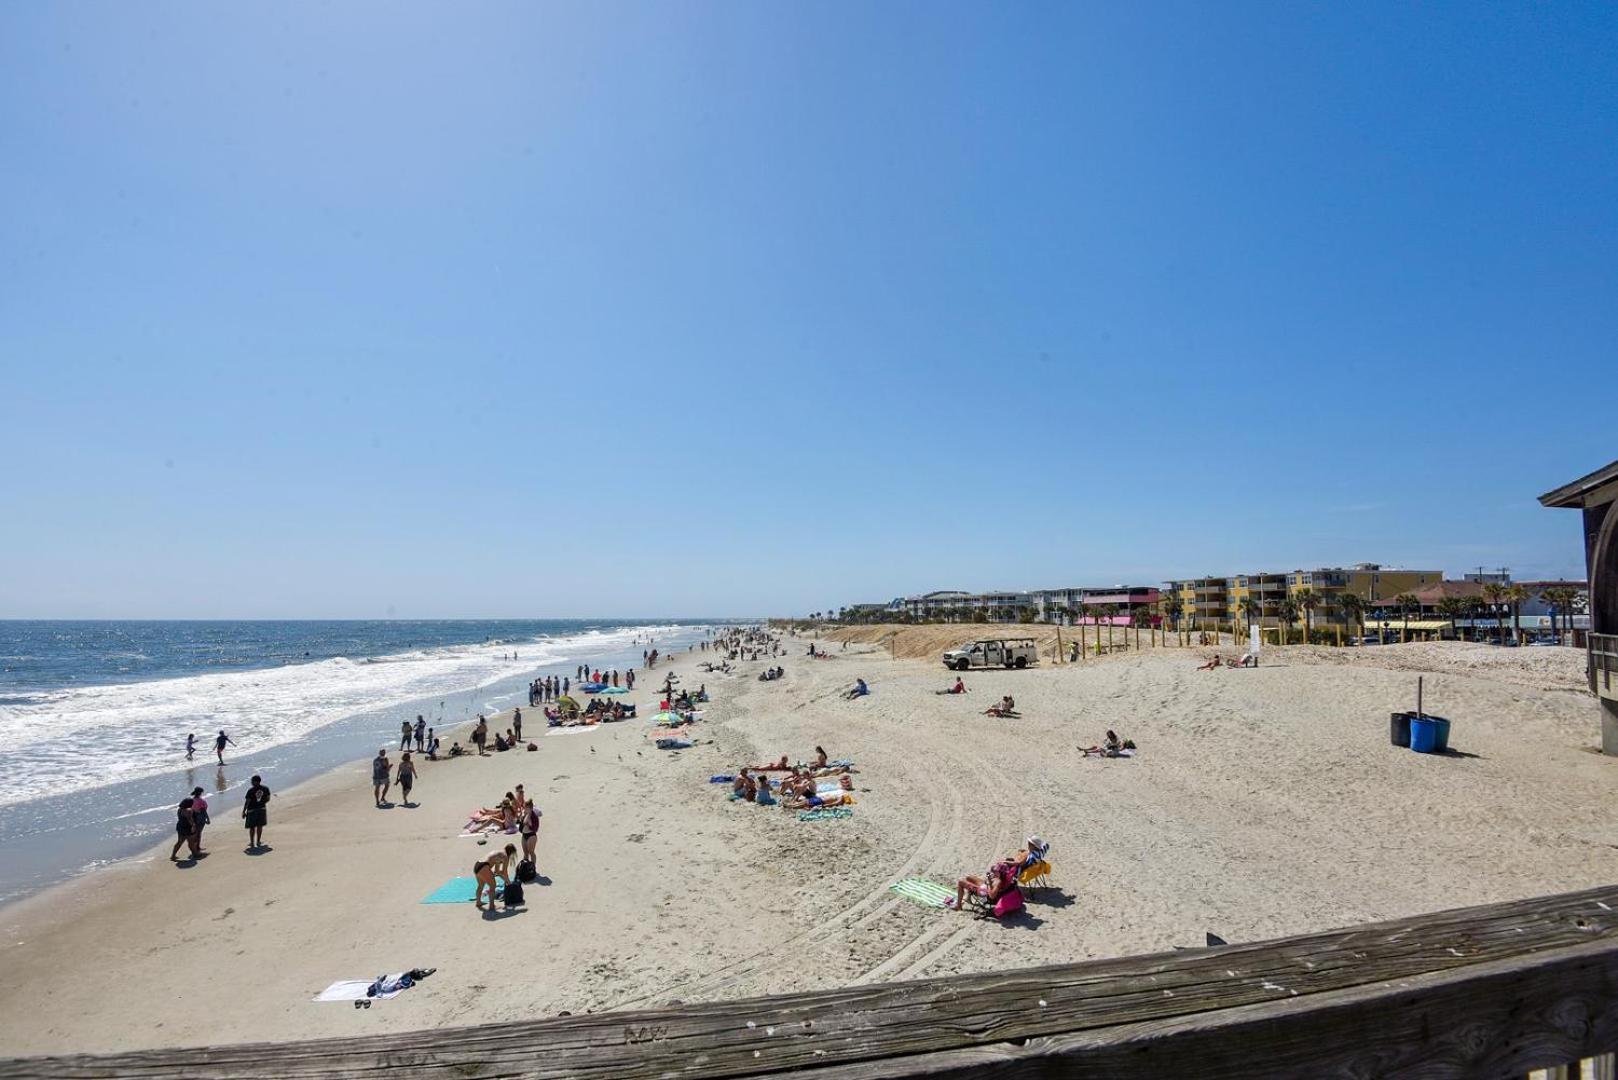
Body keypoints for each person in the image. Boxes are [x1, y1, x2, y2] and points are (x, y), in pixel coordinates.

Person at [947, 860, 1017, 911]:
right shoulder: (1002, 877)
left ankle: (958, 906)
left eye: (996, 871)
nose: (994, 871)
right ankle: (968, 898)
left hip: (983, 892)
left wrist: (989, 882)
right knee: (968, 877)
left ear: (1000, 873)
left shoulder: (998, 882)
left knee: (961, 882)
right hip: (985, 886)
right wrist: (990, 880)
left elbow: (992, 896)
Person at [473, 843, 518, 910]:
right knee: (493, 885)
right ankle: (492, 906)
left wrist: (504, 879)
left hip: (477, 865)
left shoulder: (499, 853)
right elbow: (505, 872)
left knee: (481, 885)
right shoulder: (505, 856)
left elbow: (497, 871)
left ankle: (478, 902)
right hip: (483, 866)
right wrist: (508, 883)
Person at [242, 774, 271, 849]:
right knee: (260, 826)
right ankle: (258, 841)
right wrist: (262, 803)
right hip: (262, 809)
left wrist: (244, 811)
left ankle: (252, 842)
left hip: (252, 810)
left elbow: (247, 801)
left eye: (252, 781)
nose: (251, 782)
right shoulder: (265, 788)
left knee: (252, 827)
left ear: (256, 782)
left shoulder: (251, 790)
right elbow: (268, 798)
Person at [189, 786, 211, 853]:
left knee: (195, 833)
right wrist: (207, 819)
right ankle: (196, 848)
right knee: (198, 833)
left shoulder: (191, 800)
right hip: (200, 817)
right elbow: (204, 811)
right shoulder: (201, 801)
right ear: (200, 793)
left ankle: (196, 847)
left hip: (193, 817)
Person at [520, 801, 541, 865]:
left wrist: (528, 815)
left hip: (531, 835)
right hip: (524, 835)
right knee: (525, 853)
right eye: (524, 808)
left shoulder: (534, 816)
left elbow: (534, 828)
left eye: (526, 808)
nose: (525, 809)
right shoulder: (524, 815)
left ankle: (533, 867)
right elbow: (521, 824)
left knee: (531, 852)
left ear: (530, 808)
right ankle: (525, 868)